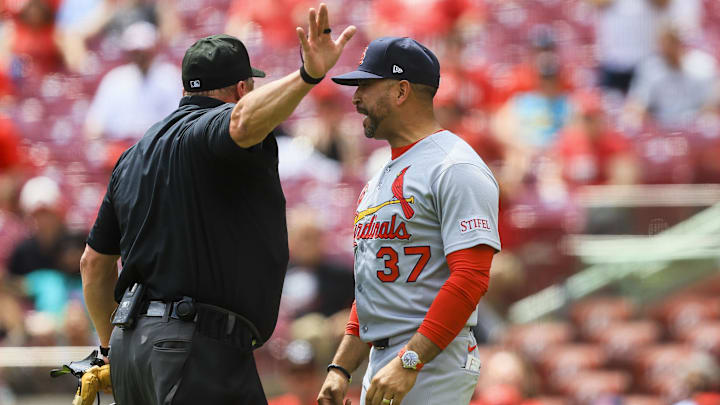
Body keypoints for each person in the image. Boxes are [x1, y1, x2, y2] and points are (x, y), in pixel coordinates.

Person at [79, 4, 356, 404]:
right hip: (195, 349)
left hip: (133, 351)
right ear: (242, 89)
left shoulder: (133, 155)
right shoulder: (210, 129)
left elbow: (93, 265)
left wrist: (108, 350)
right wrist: (307, 76)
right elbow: (240, 123)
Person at [317, 37, 501, 405]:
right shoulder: (382, 175)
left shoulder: (454, 166)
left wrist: (411, 361)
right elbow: (374, 288)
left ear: (401, 91)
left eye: (366, 85)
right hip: (388, 359)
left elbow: (471, 277)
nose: (356, 99)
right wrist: (340, 368)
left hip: (431, 358)